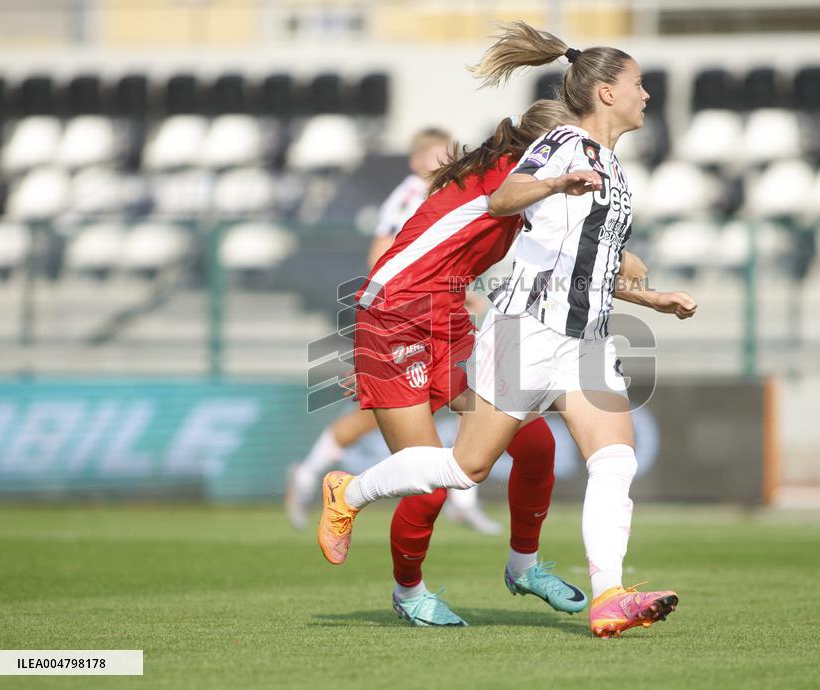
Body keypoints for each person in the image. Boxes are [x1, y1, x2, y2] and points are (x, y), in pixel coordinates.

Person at [317, 22, 698, 638]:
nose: (647, 94)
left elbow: (584, 263)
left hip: (549, 330)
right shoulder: (557, 152)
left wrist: (652, 298)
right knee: (455, 470)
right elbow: (508, 200)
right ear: (602, 94)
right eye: (638, 83)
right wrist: (553, 182)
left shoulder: (606, 167)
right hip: (451, 321)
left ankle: (599, 592)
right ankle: (359, 509)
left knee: (604, 458)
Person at [323, 100, 600, 627]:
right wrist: (557, 184)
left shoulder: (526, 184)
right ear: (545, 147)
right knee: (429, 483)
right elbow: (499, 203)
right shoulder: (512, 180)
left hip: (445, 316)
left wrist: (644, 288)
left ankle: (523, 566)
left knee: (537, 445)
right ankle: (407, 591)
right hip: (393, 319)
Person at [285, 128, 501, 536]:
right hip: (400, 316)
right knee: (379, 414)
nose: (444, 163)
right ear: (416, 161)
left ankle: (463, 501)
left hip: (432, 317)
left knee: (464, 402)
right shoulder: (407, 198)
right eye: (436, 156)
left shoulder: (446, 194)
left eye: (448, 155)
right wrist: (393, 324)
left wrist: (458, 292)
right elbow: (384, 260)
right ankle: (311, 476)